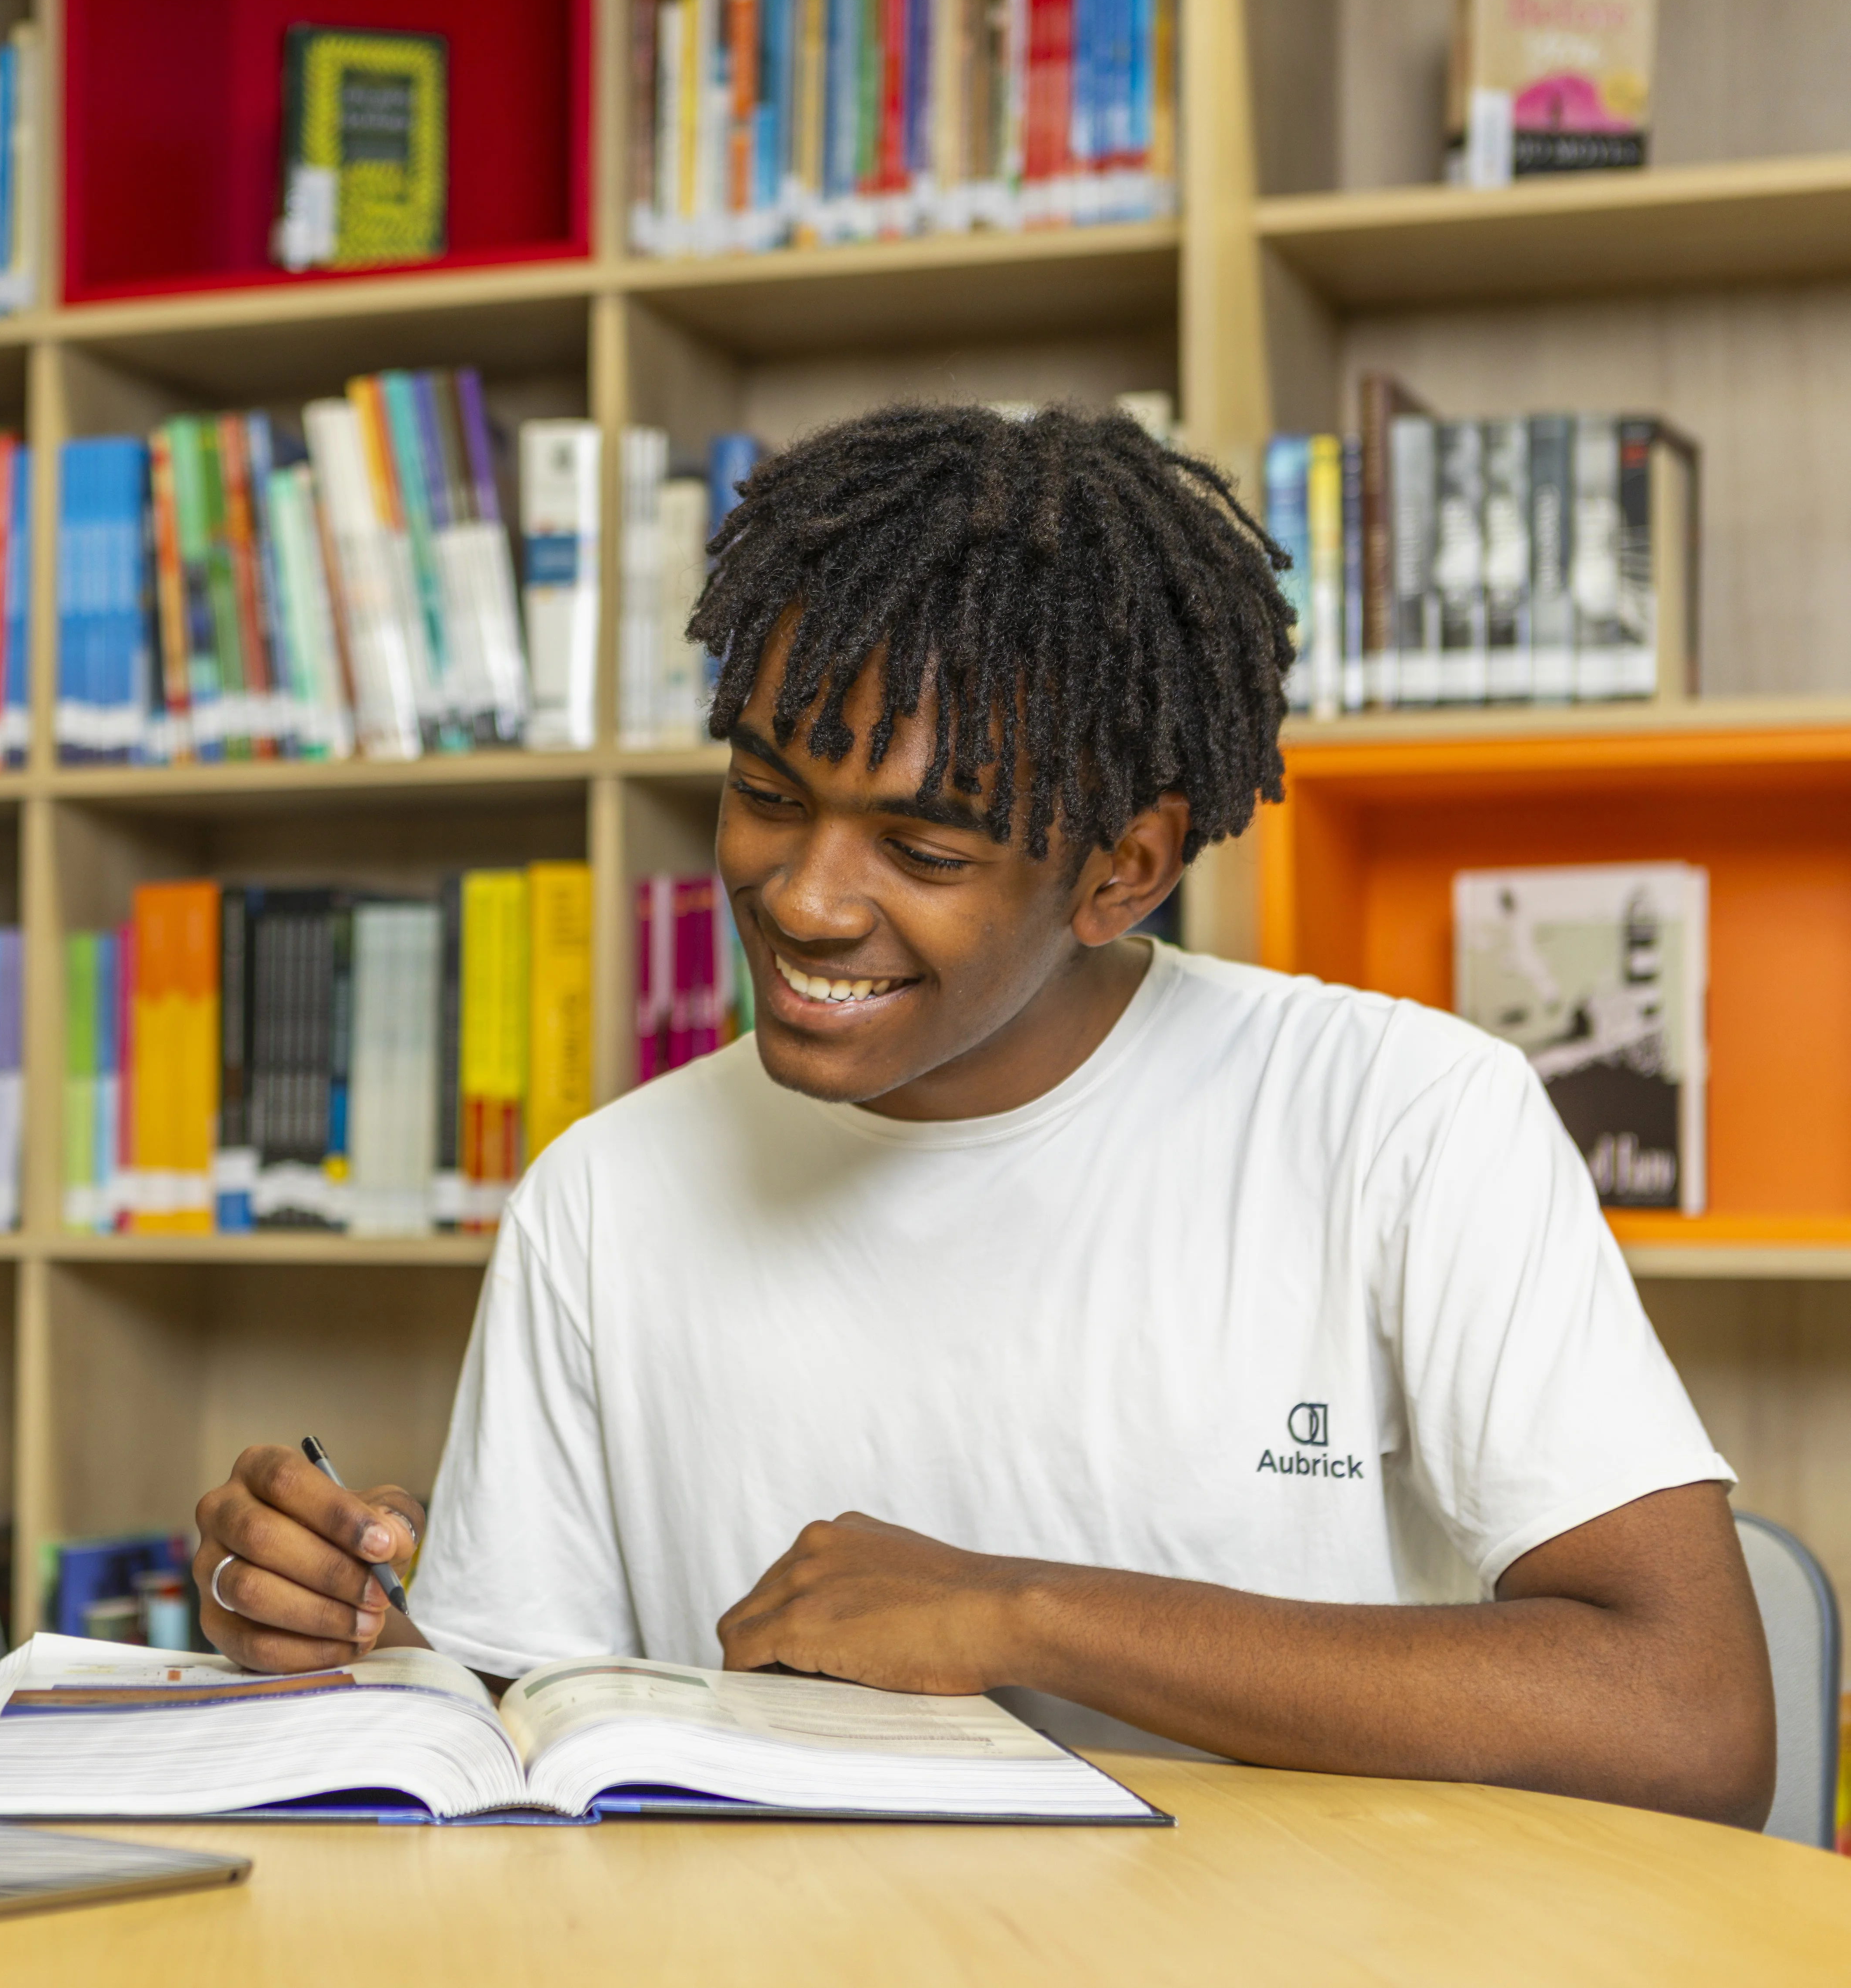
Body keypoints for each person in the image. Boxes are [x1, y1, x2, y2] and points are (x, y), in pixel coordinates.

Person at [193, 403, 1774, 1827]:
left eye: (926, 852)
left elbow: (1691, 1720)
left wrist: (1026, 1614)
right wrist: (347, 1635)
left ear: (1124, 871)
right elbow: (527, 1744)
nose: (807, 900)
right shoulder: (601, 1195)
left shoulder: (1404, 1120)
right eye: (769, 794)